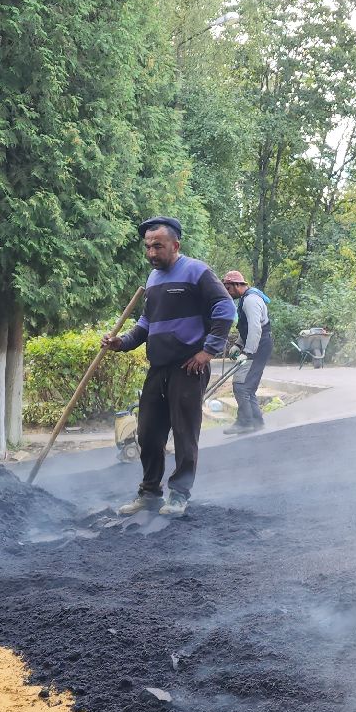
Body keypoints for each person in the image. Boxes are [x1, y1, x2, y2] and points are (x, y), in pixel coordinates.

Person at [102, 216, 235, 517]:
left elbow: (225, 308)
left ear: (175, 245)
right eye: (148, 247)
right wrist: (122, 342)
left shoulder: (197, 271)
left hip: (188, 367)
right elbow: (147, 322)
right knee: (148, 433)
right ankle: (150, 493)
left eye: (158, 246)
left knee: (185, 433)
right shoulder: (153, 279)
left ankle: (179, 494)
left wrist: (208, 351)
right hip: (158, 366)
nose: (151, 252)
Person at [220, 270, 271, 434]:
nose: (227, 292)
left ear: (237, 285)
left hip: (259, 346)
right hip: (258, 345)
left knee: (241, 385)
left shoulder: (250, 300)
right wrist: (238, 344)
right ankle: (256, 422)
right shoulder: (246, 299)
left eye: (228, 288)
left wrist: (247, 352)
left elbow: (256, 328)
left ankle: (245, 422)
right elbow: (247, 328)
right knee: (247, 387)